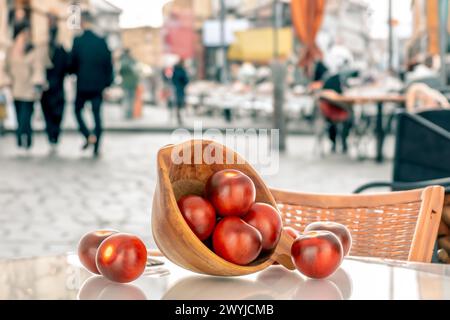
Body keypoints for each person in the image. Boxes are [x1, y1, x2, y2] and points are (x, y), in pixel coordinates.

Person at [70, 11, 114, 157]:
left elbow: (72, 64)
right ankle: (96, 145)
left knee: (77, 110)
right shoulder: (101, 41)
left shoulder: (78, 41)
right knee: (96, 115)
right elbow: (109, 65)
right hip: (98, 86)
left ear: (82, 22)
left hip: (83, 84)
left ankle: (88, 135)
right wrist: (107, 84)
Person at [3, 21, 48, 150]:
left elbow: (38, 68)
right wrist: (6, 81)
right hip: (16, 87)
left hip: (29, 89)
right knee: (19, 115)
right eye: (24, 33)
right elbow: (5, 68)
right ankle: (23, 139)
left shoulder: (33, 49)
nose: (27, 36)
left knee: (26, 116)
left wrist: (37, 83)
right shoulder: (11, 50)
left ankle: (24, 139)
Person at [41, 15, 69, 152]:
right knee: (53, 112)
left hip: (53, 86)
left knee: (51, 112)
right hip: (54, 87)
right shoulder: (55, 50)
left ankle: (53, 135)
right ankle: (53, 135)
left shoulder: (56, 50)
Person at [119, 49, 139, 119]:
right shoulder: (125, 61)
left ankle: (129, 113)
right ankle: (127, 114)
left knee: (130, 99)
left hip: (131, 83)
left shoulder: (130, 61)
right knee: (128, 99)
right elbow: (121, 71)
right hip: (128, 83)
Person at [172, 59, 189, 126]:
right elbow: (185, 79)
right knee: (180, 103)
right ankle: (179, 118)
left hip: (177, 88)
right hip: (180, 89)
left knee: (178, 104)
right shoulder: (181, 70)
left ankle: (179, 117)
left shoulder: (175, 70)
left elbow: (173, 79)